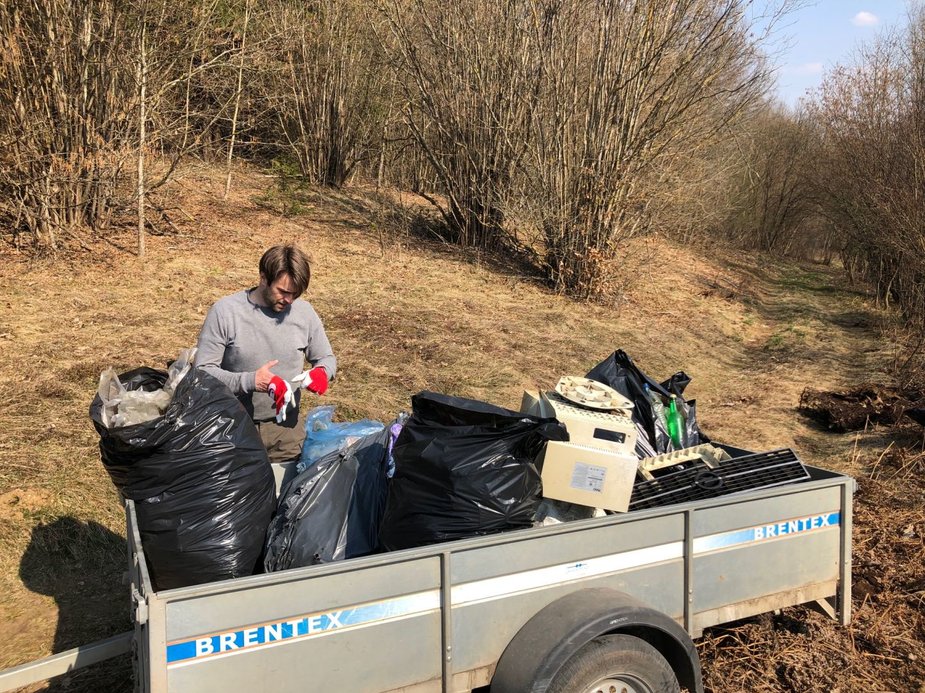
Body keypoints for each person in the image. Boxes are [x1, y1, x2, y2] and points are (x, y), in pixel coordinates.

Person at [195, 244, 337, 472]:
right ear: (263, 278)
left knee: (287, 499)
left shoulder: (305, 313)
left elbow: (326, 358)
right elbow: (203, 371)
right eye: (282, 291)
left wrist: (322, 373)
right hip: (232, 427)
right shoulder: (226, 312)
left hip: (286, 431)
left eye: (295, 293)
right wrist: (252, 381)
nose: (289, 300)